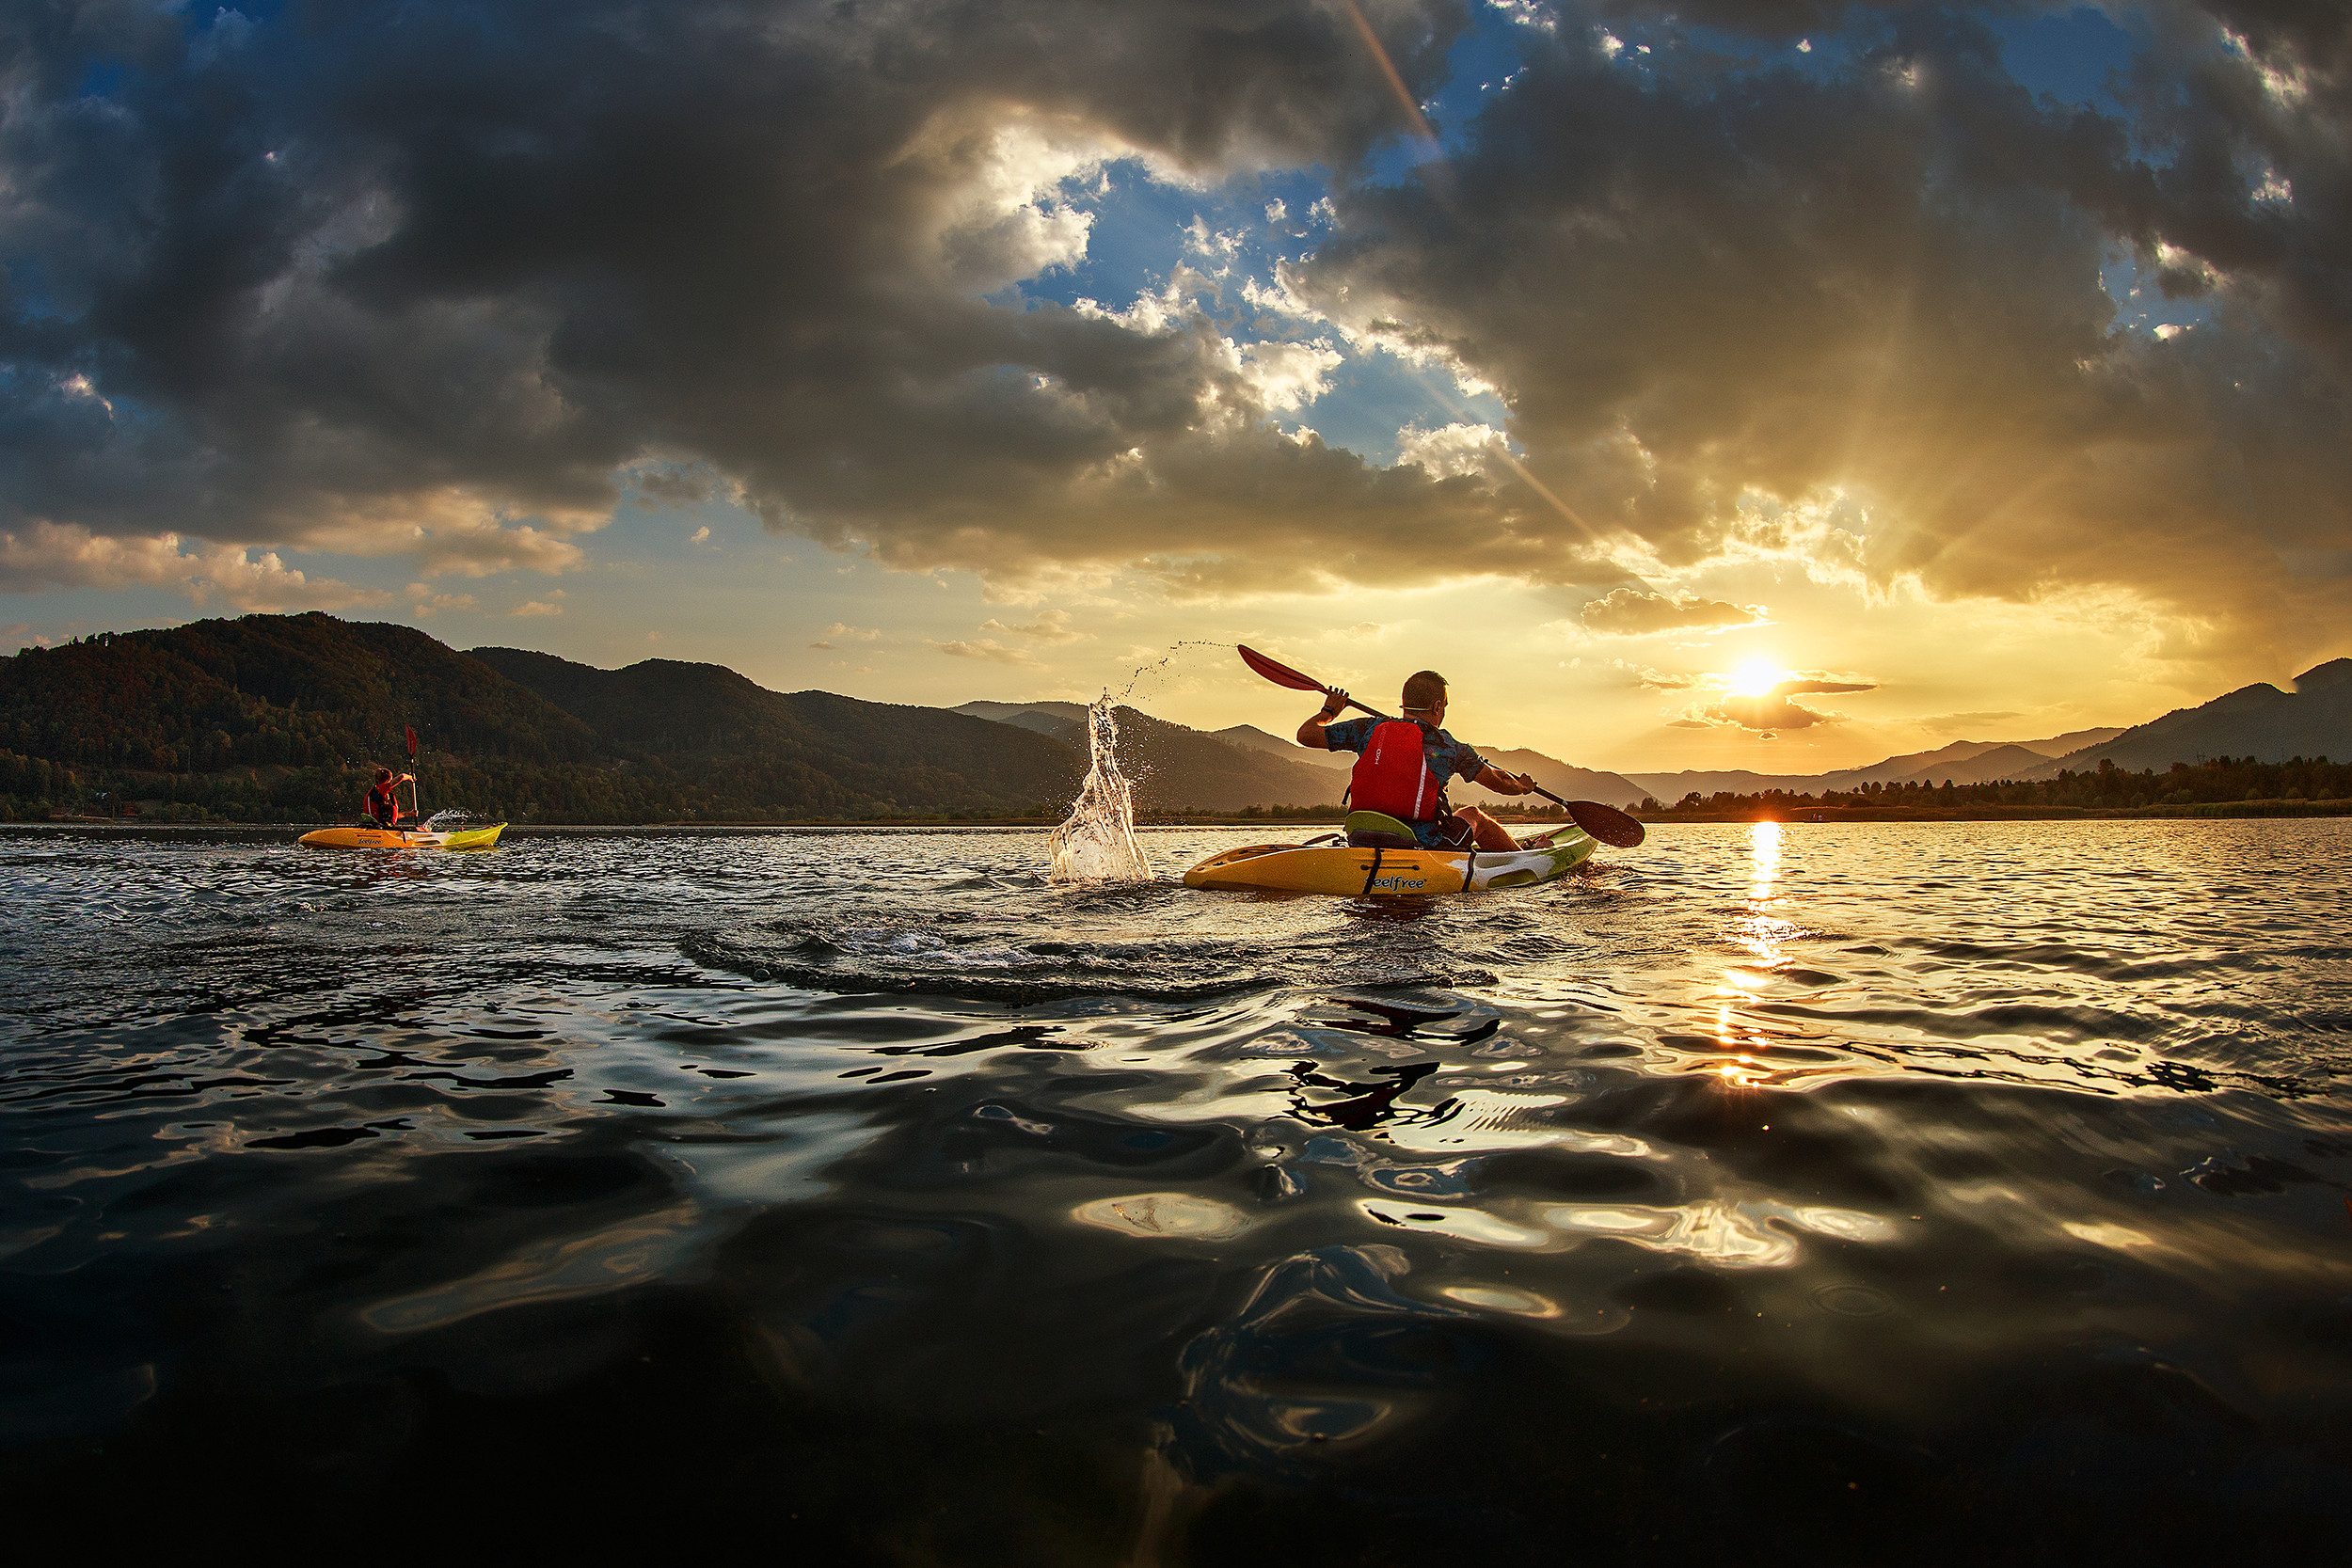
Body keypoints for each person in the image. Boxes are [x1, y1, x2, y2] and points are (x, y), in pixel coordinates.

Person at [1296, 669, 1544, 851]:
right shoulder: (1448, 746)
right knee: (1474, 814)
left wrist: (1328, 711)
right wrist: (1522, 787)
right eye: (1445, 706)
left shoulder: (1368, 729)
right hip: (1421, 844)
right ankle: (1526, 857)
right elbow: (1500, 783)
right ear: (1437, 706)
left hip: (1362, 836)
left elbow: (1305, 734)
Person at [362, 767, 413, 832]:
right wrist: (410, 777)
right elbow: (402, 776)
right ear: (388, 780)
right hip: (377, 827)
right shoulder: (379, 790)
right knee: (419, 829)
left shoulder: (388, 796)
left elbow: (389, 816)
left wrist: (407, 814)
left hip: (385, 827)